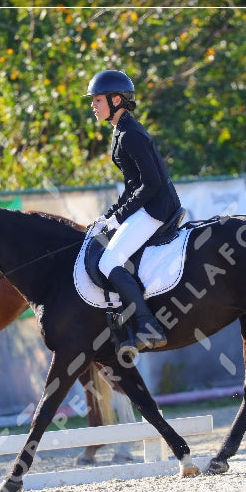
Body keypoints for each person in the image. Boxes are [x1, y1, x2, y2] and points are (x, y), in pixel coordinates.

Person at [85, 69, 181, 353]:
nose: (93, 105)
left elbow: (151, 184)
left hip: (157, 208)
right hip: (148, 203)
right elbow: (132, 185)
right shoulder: (120, 132)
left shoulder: (131, 135)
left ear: (116, 99)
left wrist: (120, 217)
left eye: (98, 100)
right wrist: (109, 215)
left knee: (108, 262)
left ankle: (147, 323)